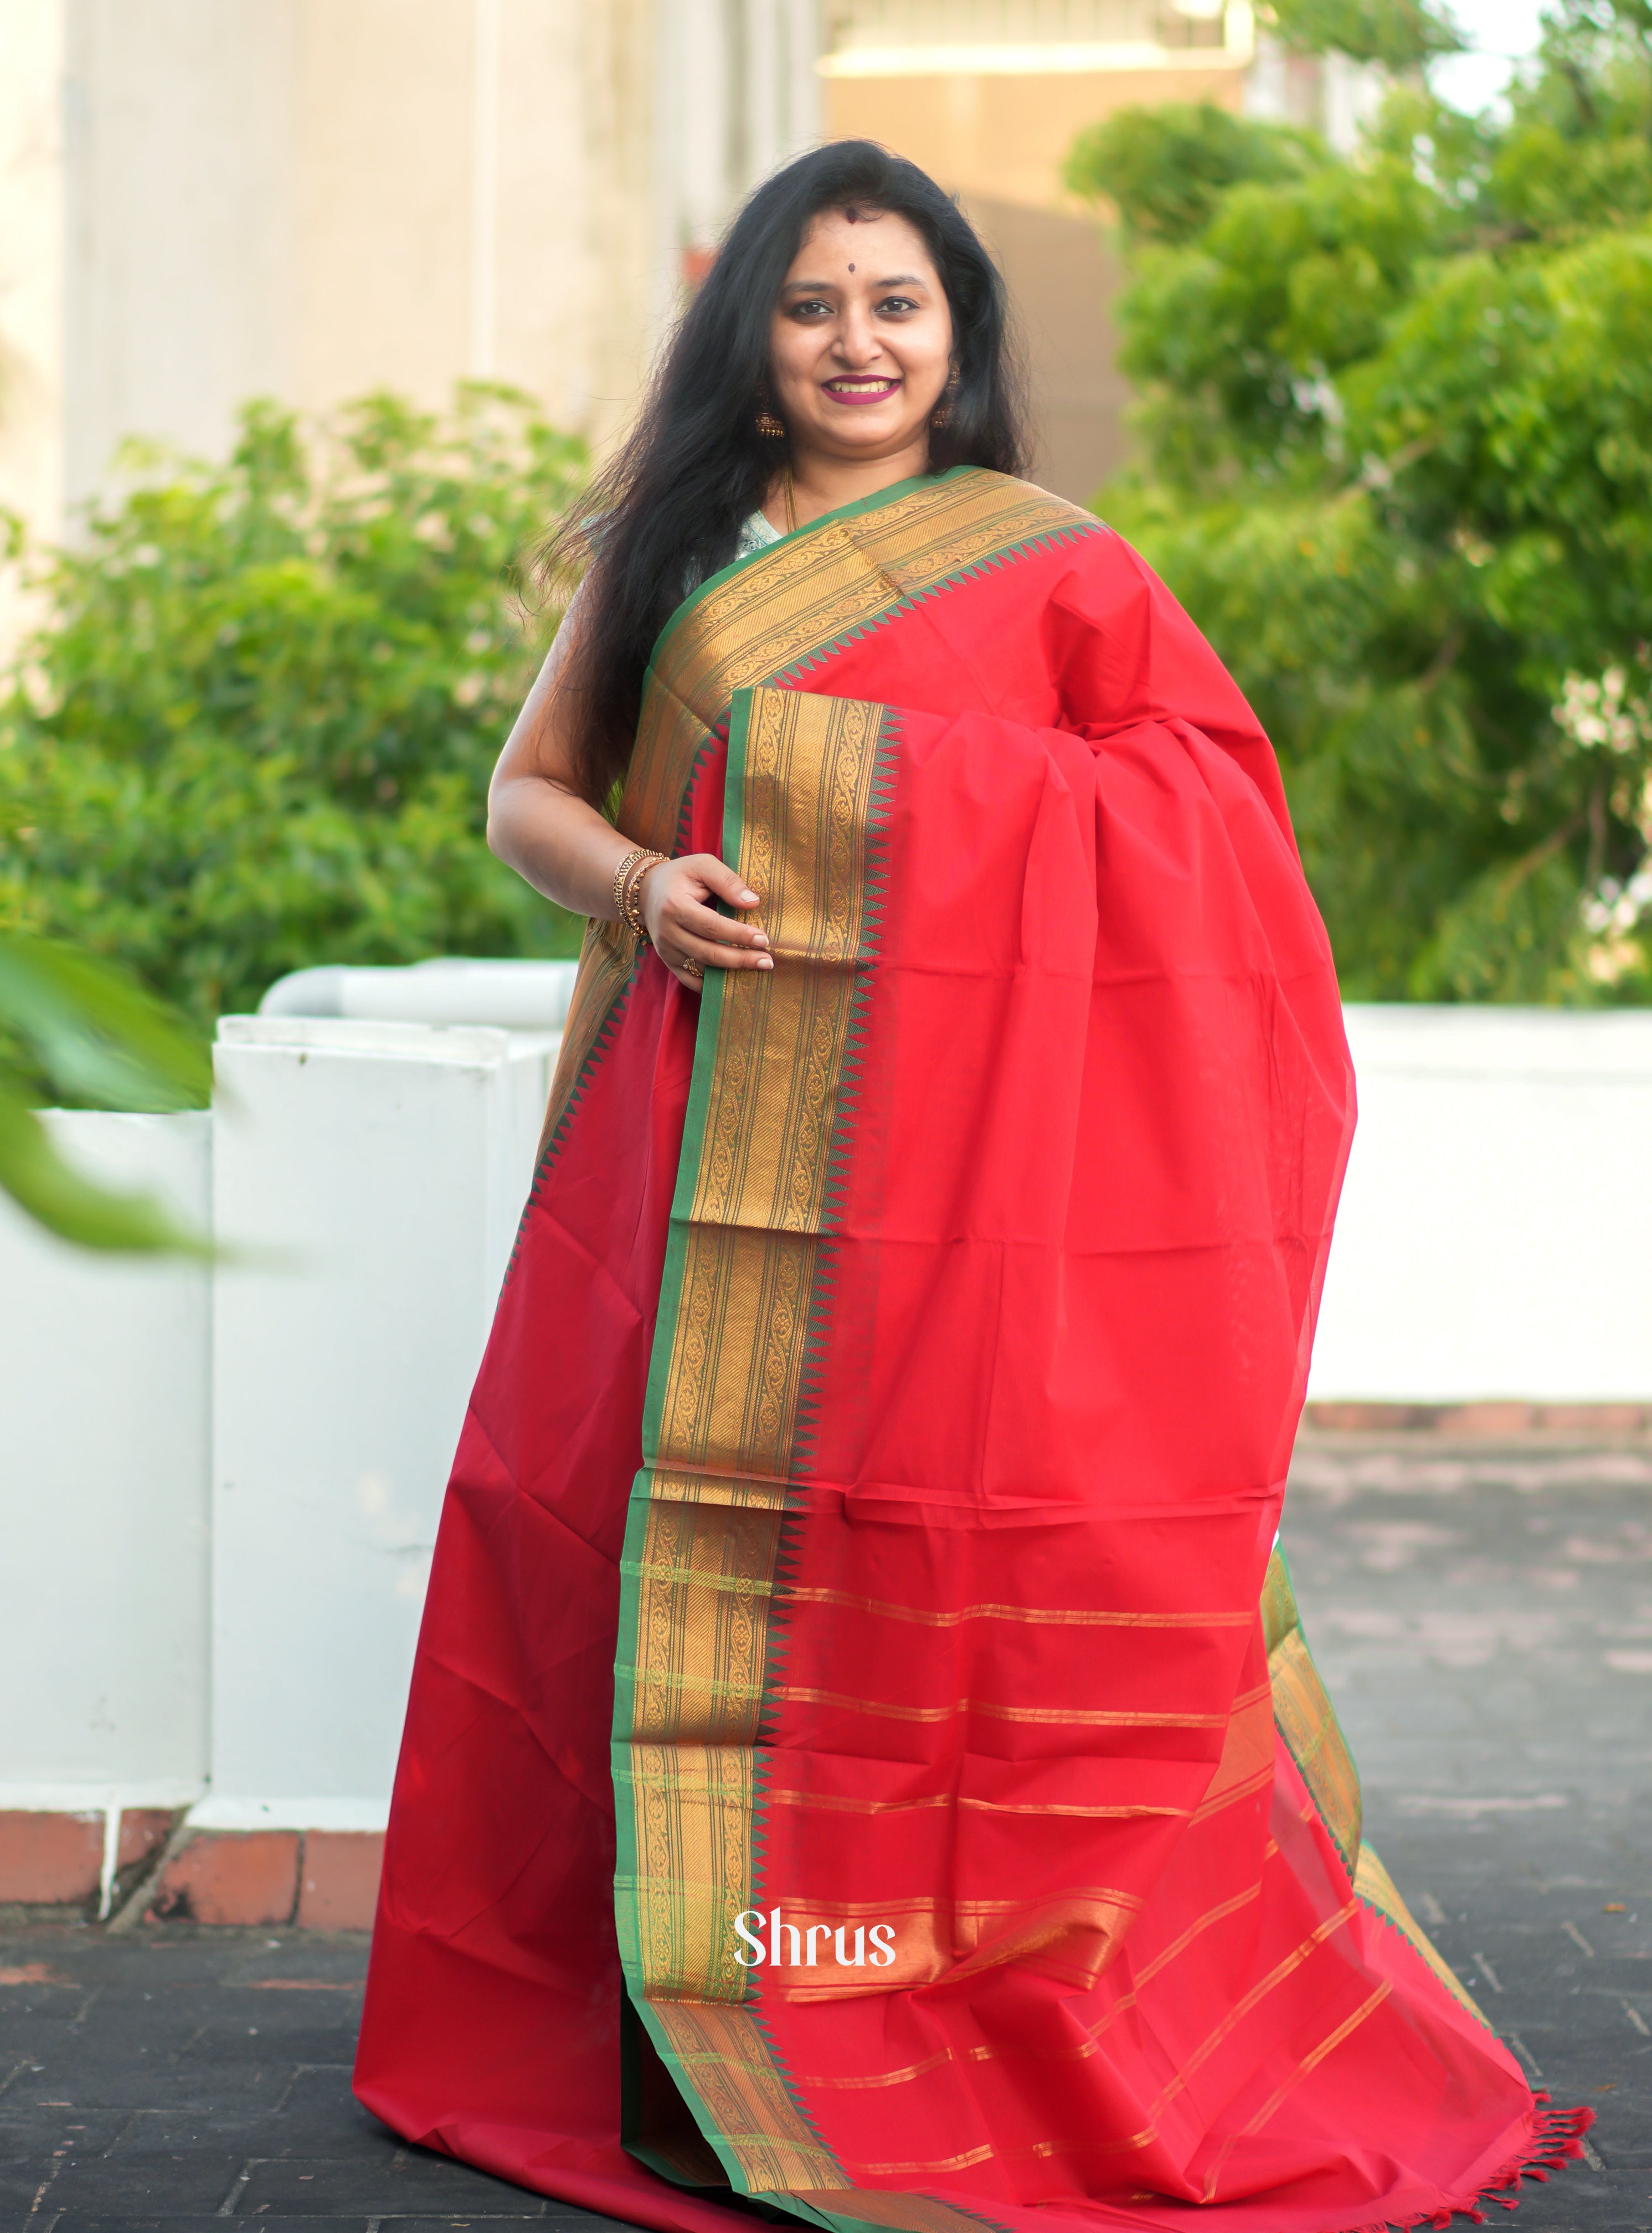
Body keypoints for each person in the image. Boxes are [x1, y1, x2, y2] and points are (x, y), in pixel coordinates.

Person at [353, 141, 1588, 2233]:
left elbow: (1208, 826)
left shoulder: (1053, 563)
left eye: (898, 304)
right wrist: (652, 884)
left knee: (926, 1589)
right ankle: (682, 2010)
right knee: (629, 1555)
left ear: (958, 336)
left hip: (967, 1205)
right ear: (751, 328)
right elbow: (526, 801)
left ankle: (910, 1993)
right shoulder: (668, 554)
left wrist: (878, 801)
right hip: (691, 1155)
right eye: (816, 301)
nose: (857, 341)